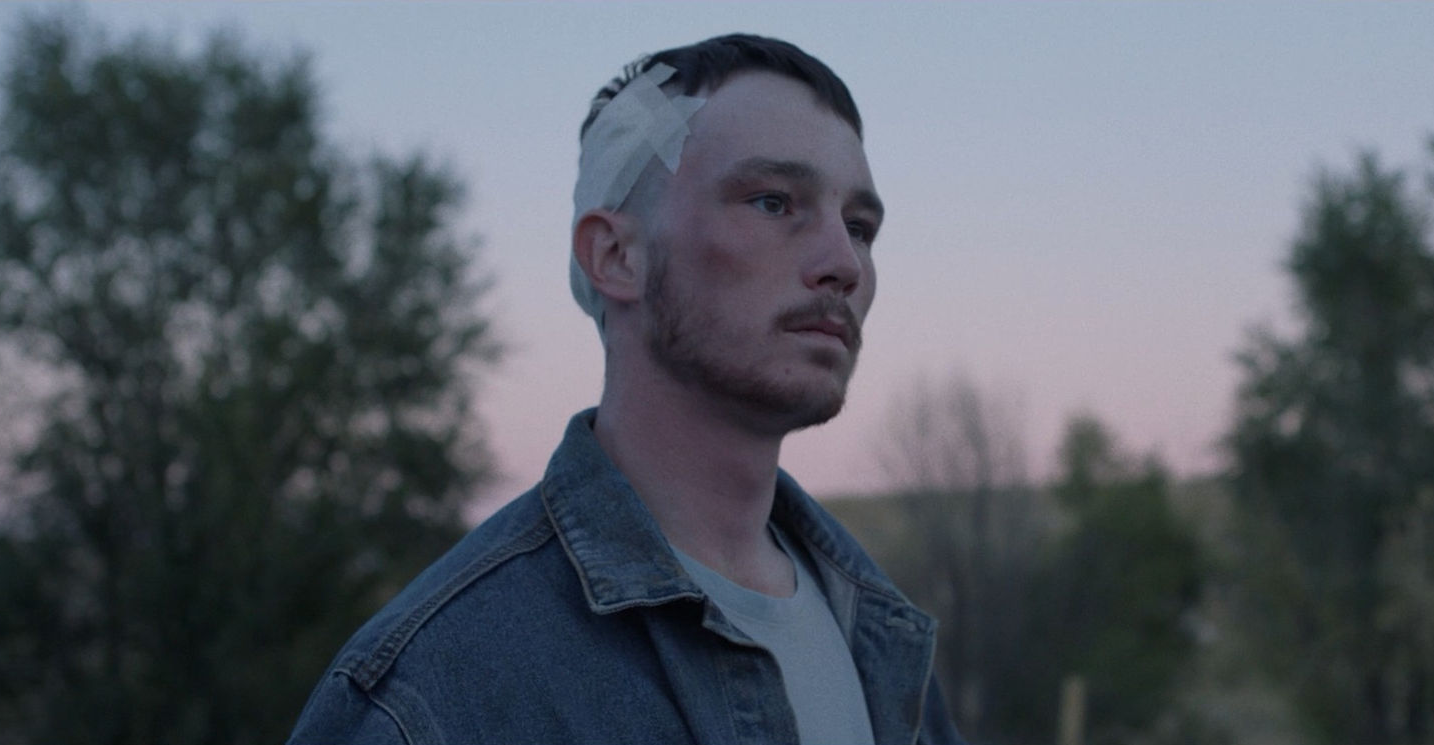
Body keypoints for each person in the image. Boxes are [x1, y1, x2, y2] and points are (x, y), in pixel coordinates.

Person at [288, 33, 963, 745]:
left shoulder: (882, 637)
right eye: (773, 202)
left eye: (859, 226)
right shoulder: (430, 695)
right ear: (614, 255)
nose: (843, 263)